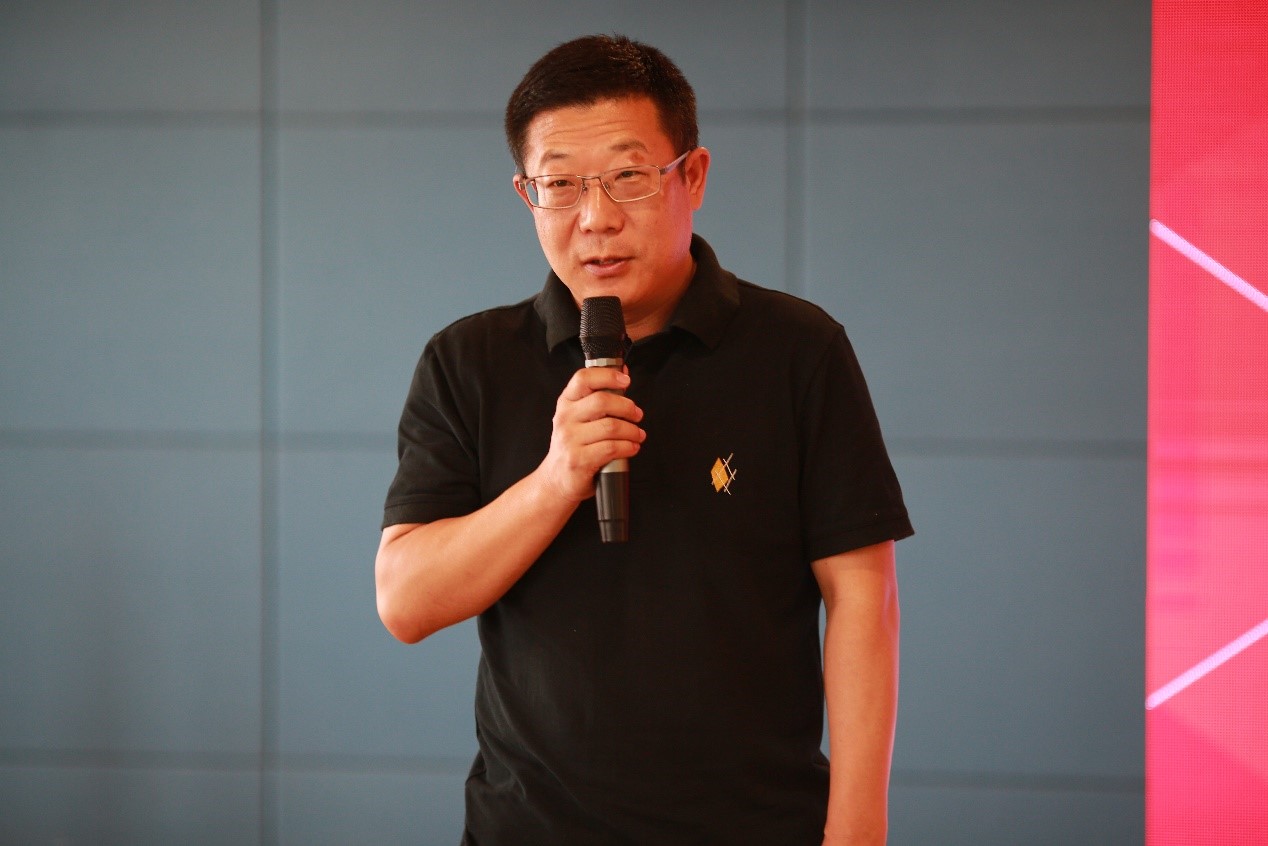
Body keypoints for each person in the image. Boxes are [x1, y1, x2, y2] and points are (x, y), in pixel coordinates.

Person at [375, 34, 913, 846]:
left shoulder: (798, 350)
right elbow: (407, 602)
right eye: (561, 184)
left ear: (691, 176)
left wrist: (859, 831)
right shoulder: (468, 362)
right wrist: (558, 477)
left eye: (628, 177)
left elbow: (864, 601)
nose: (596, 218)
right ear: (527, 194)